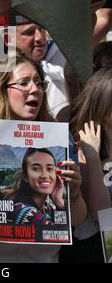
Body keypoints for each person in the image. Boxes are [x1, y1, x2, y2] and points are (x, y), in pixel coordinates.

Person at [0, 55, 86, 263]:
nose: (35, 89)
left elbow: (77, 220)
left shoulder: (60, 141)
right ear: (2, 90)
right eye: (24, 83)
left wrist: (75, 193)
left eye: (39, 83)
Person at [60, 68, 112, 263]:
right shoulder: (82, 151)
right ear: (104, 104)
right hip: (92, 251)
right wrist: (93, 159)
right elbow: (102, 214)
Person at [0, 148, 66, 241]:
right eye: (36, 169)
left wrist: (58, 202)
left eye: (50, 169)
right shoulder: (27, 212)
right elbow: (59, 237)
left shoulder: (46, 207)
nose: (45, 175)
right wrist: (61, 206)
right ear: (26, 176)